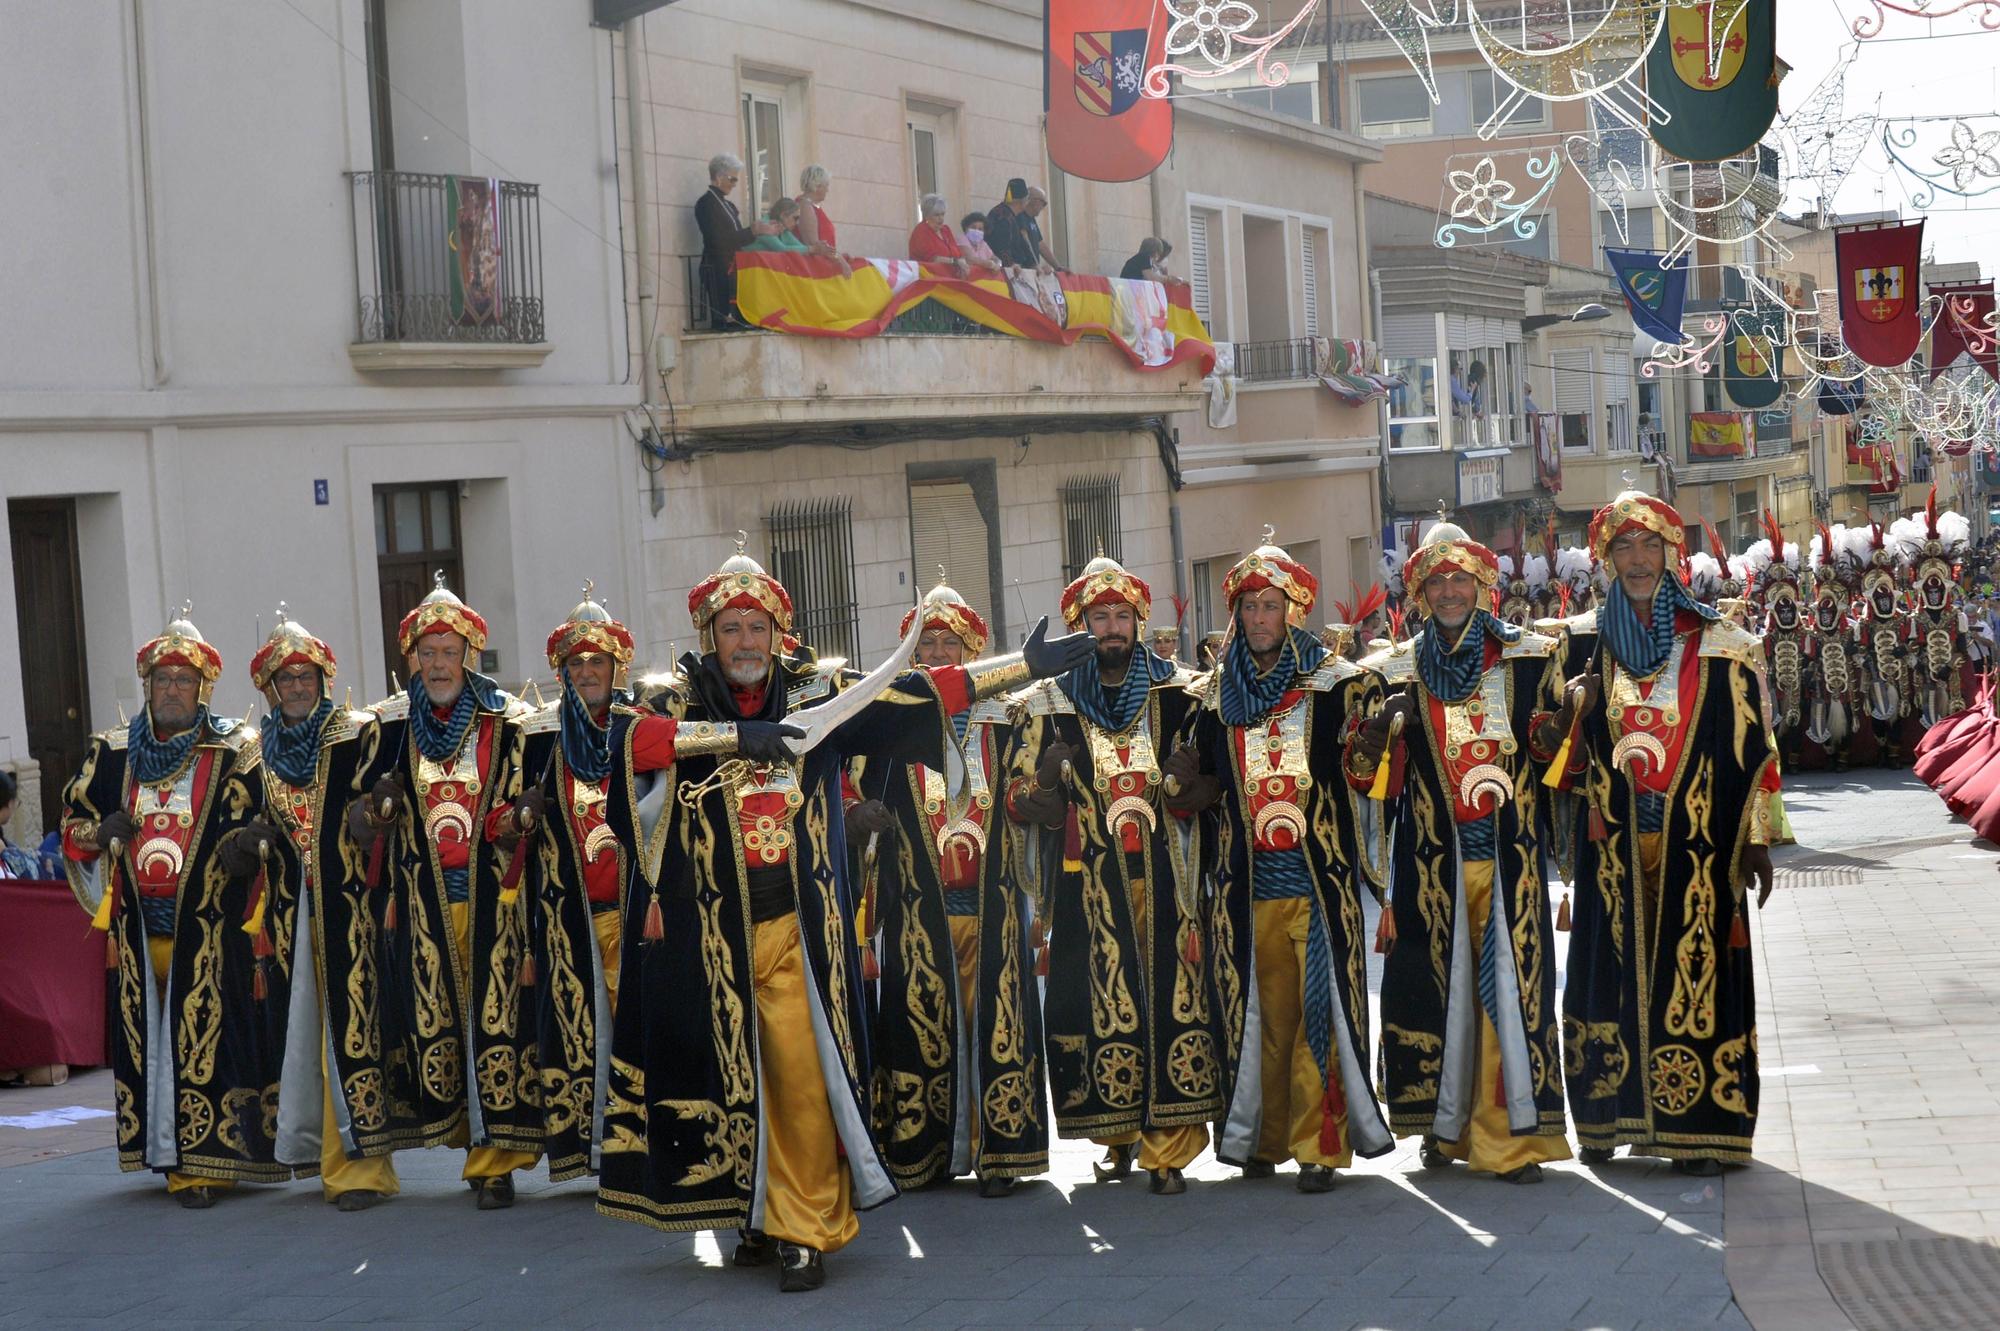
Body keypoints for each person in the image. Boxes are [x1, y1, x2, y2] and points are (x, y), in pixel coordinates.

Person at [596, 538, 1088, 1292]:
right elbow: (626, 747)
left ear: (777, 633)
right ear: (709, 637)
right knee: (734, 1081)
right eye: (731, 628)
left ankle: (805, 1232)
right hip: (711, 943)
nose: (746, 641)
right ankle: (757, 1217)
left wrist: (1022, 667)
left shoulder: (819, 693)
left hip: (797, 929)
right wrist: (739, 737)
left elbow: (916, 694)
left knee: (797, 1077)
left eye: (758, 627)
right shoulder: (674, 703)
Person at [1550, 490, 1782, 1176]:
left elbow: (1757, 750)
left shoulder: (1721, 641)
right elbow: (1549, 755)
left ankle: (1696, 1132)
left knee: (1694, 978)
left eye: (1650, 544)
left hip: (1700, 846)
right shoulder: (1579, 642)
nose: (1638, 558)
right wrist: (1568, 712)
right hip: (1611, 845)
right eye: (1623, 546)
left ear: (1672, 553)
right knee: (1608, 976)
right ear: (1606, 558)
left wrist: (1759, 837)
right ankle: (1606, 1119)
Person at [1348, 522, 1574, 1184]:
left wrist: (1555, 733)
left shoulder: (1530, 658)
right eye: (1437, 581)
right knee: (1436, 991)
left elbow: (1559, 758)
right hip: (1428, 868)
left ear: (1484, 587)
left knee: (1507, 992)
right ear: (1419, 592)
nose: (1450, 591)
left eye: (1462, 580)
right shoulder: (1392, 670)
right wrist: (1376, 735)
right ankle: (1444, 1127)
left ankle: (1509, 1136)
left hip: (1512, 859)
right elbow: (1364, 780)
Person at [1168, 535, 1394, 1192]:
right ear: (1236, 615)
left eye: (1271, 605)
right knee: (1256, 1017)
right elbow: (1192, 786)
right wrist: (1188, 790)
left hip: (1318, 887)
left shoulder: (1339, 686)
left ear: (1293, 610)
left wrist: (1370, 752)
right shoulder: (1212, 699)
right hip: (1244, 891)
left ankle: (1318, 1145)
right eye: (1249, 607)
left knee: (1316, 1016)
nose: (1260, 618)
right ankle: (1258, 1138)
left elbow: (1361, 779)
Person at [59, 607, 288, 1206]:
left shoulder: (237, 748)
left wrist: (247, 846)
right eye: (162, 679)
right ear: (147, 686)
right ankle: (166, 1152)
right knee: (152, 1046)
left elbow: (268, 821)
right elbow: (72, 824)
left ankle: (206, 1163)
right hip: (137, 933)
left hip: (211, 930)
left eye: (183, 680)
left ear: (203, 687)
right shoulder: (110, 753)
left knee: (206, 1038)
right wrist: (96, 832)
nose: (171, 690)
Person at [1002, 555, 1217, 1196]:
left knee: (1167, 1003)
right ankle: (1119, 1139)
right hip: (1085, 884)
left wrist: (1193, 785)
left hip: (1166, 878)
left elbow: (1212, 776)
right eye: (1101, 617)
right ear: (1080, 623)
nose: (1113, 628)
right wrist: (1039, 788)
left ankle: (1168, 1150)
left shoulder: (1179, 691)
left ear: (1139, 621)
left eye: (1123, 616)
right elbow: (1013, 795)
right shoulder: (1048, 702)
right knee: (1101, 1009)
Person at [342, 575, 540, 1210]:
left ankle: (494, 1165)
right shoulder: (391, 726)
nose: (436, 664)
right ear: (412, 660)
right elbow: (356, 815)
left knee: (496, 1022)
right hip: (421, 901)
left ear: (468, 655)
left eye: (447, 652)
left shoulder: (508, 722)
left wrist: (520, 814)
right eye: (425, 653)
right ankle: (463, 1136)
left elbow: (534, 799)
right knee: (440, 1026)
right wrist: (379, 805)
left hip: (495, 902)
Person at [857, 577, 1053, 1198]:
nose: (938, 654)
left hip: (992, 906)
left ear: (971, 651)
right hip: (919, 911)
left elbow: (1022, 791)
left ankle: (1001, 1155)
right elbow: (863, 796)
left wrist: (1036, 798)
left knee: (997, 1025)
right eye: (926, 644)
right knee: (923, 1025)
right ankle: (928, 1152)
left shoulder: (1010, 716)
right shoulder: (888, 725)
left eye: (949, 643)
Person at [517, 585, 684, 1185]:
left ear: (617, 669)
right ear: (562, 671)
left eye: (598, 663)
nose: (587, 672)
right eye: (577, 664)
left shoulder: (642, 729)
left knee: (645, 1027)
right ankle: (596, 1148)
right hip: (571, 915)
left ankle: (651, 1145)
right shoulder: (538, 738)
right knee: (583, 1031)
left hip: (638, 910)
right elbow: (498, 823)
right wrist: (520, 814)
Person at [246, 606, 408, 1211]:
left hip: (351, 910)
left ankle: (361, 1171)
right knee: (301, 1038)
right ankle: (312, 1152)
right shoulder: (254, 753)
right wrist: (247, 840)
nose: (297, 687)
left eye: (306, 676)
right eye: (286, 678)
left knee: (353, 1032)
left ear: (324, 680)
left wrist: (373, 815)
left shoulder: (356, 734)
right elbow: (237, 827)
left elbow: (381, 804)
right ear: (269, 686)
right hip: (286, 919)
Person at [695, 152, 784, 330]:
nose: (735, 185)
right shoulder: (706, 204)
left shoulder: (728, 205)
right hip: (717, 268)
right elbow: (717, 240)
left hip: (734, 267)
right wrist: (753, 230)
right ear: (719, 177)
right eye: (732, 179)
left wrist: (760, 232)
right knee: (725, 323)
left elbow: (737, 238)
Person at [909, 193, 969, 277]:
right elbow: (933, 259)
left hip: (951, 279)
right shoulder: (921, 231)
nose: (941, 218)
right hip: (928, 280)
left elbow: (958, 253)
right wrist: (956, 262)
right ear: (927, 216)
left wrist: (963, 264)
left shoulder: (946, 230)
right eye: (936, 215)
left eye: (942, 214)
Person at [986, 179, 1036, 272]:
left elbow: (1023, 244)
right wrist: (1011, 265)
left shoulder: (1012, 215)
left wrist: (1034, 265)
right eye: (1027, 199)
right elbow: (1001, 248)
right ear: (1022, 200)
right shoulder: (1002, 217)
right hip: (1004, 272)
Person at [792, 164, 837, 251]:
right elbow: (814, 246)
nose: (827, 190)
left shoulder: (809, 205)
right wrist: (842, 262)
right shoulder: (805, 206)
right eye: (826, 185)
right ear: (817, 186)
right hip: (818, 261)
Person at [1022, 186, 1063, 271]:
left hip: (1034, 271)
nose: (1043, 207)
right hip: (1023, 270)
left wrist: (1058, 267)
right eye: (1044, 203)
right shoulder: (1019, 217)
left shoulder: (1031, 218)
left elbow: (1040, 245)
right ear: (1034, 201)